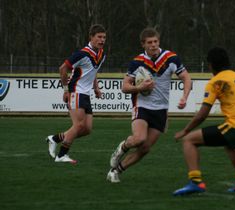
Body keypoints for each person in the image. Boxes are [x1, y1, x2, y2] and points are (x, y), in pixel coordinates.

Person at [107, 28, 192, 183]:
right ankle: (122, 147)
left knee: (145, 148)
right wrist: (140, 88)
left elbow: (186, 78)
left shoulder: (171, 58)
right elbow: (124, 87)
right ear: (143, 44)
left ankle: (116, 171)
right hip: (142, 106)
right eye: (149, 42)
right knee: (139, 139)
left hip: (161, 110)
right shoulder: (137, 62)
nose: (153, 45)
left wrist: (184, 97)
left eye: (155, 42)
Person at [173, 47, 235, 196]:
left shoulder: (216, 81)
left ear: (211, 65)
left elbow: (202, 114)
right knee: (230, 144)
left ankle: (196, 182)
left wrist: (185, 130)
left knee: (189, 141)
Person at [46, 24, 106, 163]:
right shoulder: (82, 53)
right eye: (99, 37)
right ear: (91, 37)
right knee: (78, 125)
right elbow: (63, 68)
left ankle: (54, 139)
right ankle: (61, 155)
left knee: (86, 129)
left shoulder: (101, 54)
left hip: (86, 94)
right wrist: (66, 90)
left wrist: (96, 88)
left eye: (104, 37)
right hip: (76, 91)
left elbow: (93, 72)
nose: (102, 40)